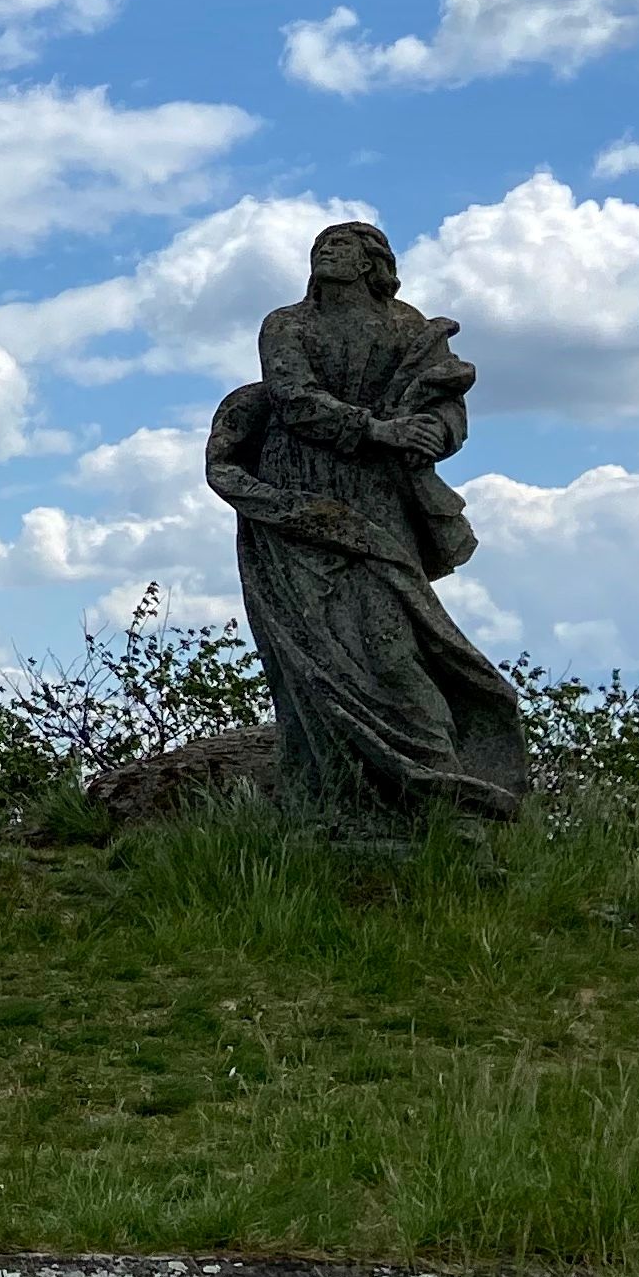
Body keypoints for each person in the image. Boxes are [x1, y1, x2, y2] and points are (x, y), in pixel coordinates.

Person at [216, 223, 528, 829]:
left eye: (341, 245)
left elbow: (445, 406)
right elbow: (293, 398)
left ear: (372, 261)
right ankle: (333, 803)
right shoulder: (287, 324)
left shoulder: (409, 328)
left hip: (379, 503)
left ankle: (443, 794)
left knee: (395, 649)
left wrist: (433, 432)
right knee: (311, 652)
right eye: (319, 246)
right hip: (298, 503)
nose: (326, 252)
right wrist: (378, 430)